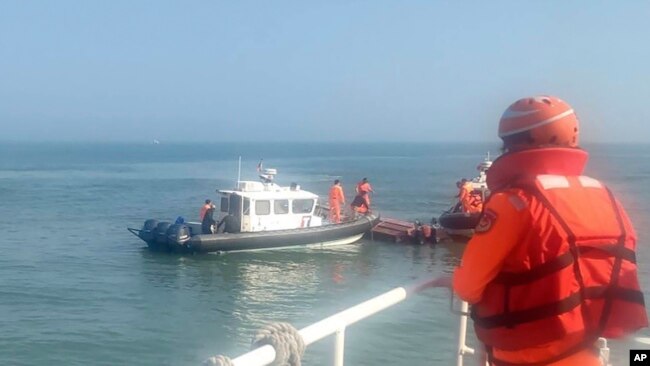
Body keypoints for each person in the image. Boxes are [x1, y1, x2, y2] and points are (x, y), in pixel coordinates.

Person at [444, 95, 648, 365]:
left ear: (517, 143)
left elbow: (469, 287)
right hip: (587, 352)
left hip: (526, 355)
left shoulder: (513, 202)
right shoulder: (604, 195)